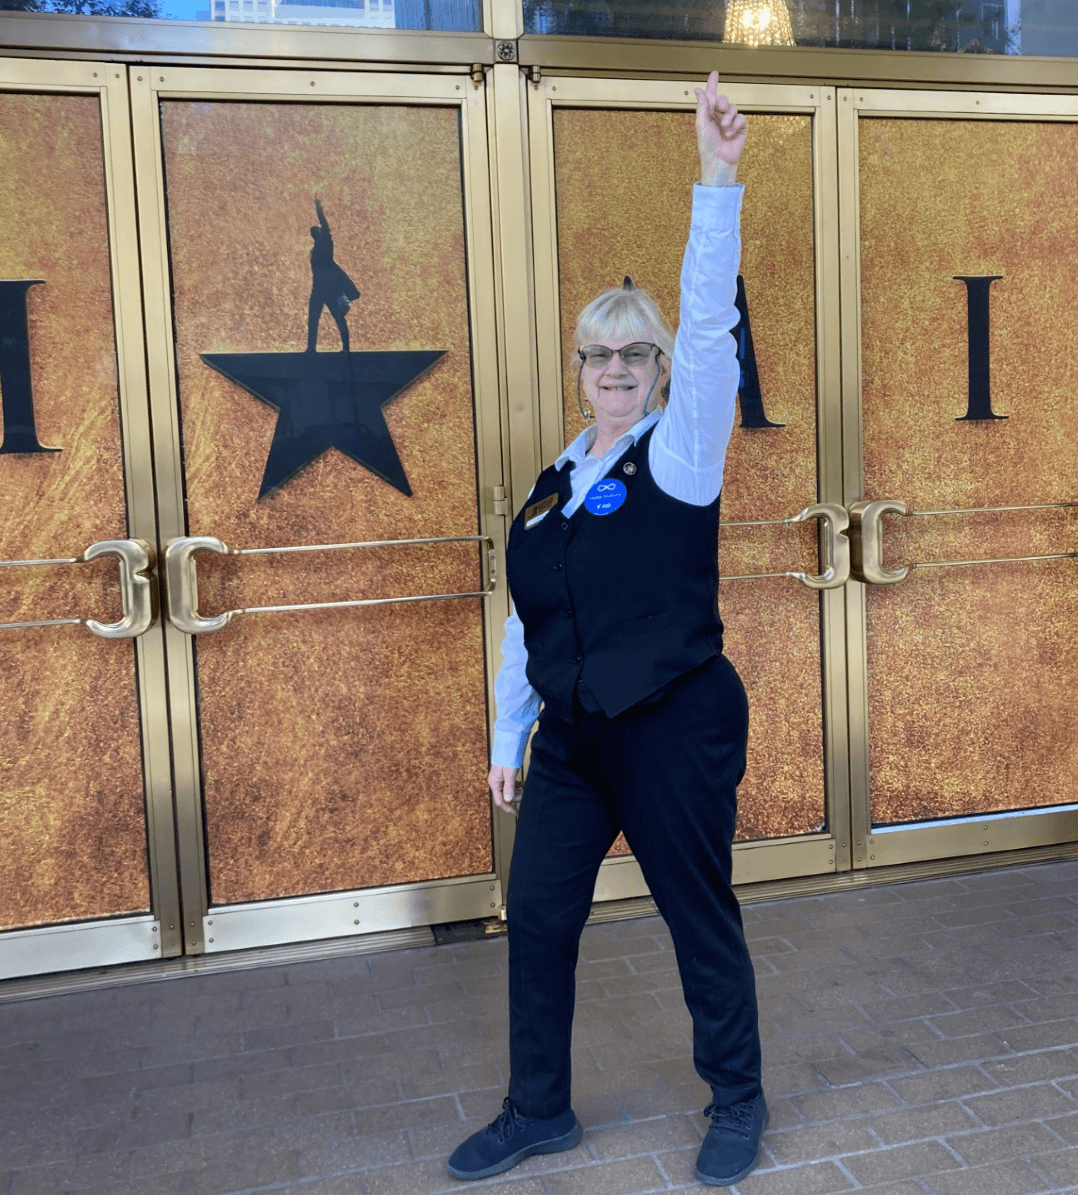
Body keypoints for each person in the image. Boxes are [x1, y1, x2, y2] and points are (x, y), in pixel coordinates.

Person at [448, 73, 765, 1188]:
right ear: (578, 369)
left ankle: (737, 1097)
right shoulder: (552, 480)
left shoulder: (679, 453)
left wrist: (713, 181)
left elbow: (712, 313)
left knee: (694, 914)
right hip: (577, 738)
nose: (616, 370)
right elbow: (526, 623)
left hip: (673, 720)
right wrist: (506, 737)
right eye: (599, 355)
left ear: (660, 369)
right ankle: (539, 1109)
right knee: (535, 916)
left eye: (635, 355)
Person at [306, 197, 360, 355]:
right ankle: (311, 349)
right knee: (313, 319)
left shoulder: (326, 243)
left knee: (338, 318)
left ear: (321, 233)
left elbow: (324, 223)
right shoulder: (315, 250)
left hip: (329, 289)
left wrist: (318, 208)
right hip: (317, 289)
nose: (314, 231)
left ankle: (346, 348)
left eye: (317, 229)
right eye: (312, 231)